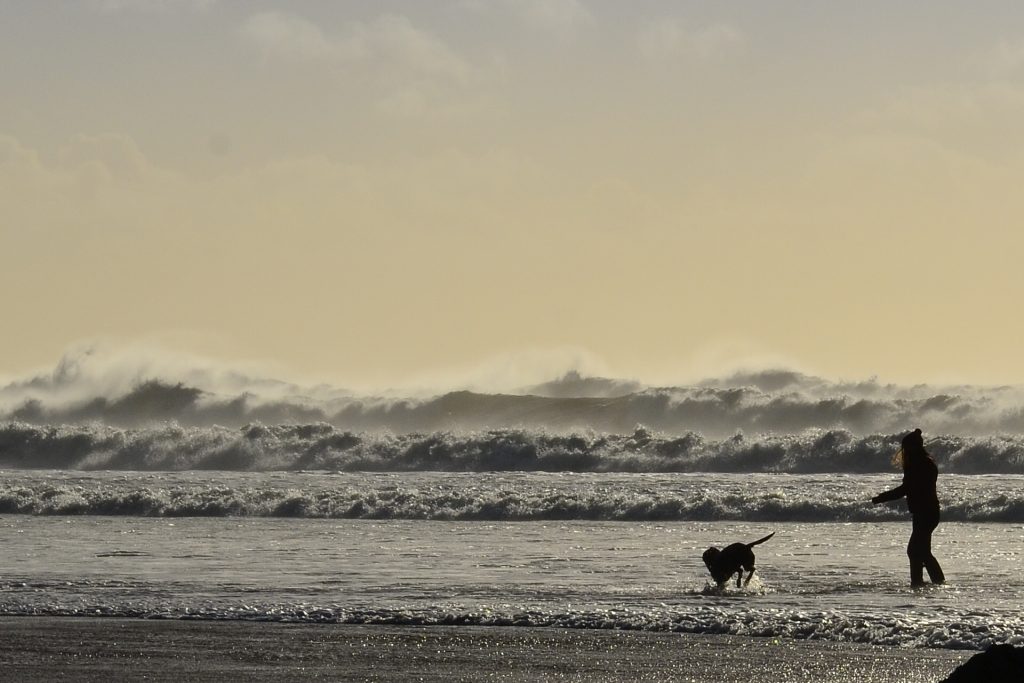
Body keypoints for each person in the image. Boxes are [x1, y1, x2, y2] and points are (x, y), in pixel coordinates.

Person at [872, 428, 946, 586]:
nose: (904, 451)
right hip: (926, 512)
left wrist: (882, 497)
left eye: (907, 448)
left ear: (914, 447)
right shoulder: (924, 463)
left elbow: (906, 489)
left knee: (914, 551)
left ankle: (919, 582)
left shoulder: (920, 465)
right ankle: (932, 582)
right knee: (923, 552)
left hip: (926, 513)